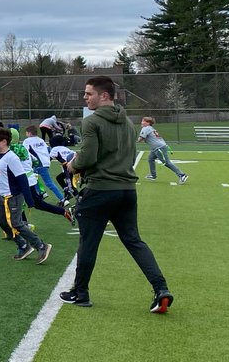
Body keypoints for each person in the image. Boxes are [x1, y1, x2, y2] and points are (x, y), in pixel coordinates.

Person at [62, 76, 174, 313]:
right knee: (134, 240)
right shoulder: (129, 124)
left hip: (100, 190)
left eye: (88, 93)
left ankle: (80, 293)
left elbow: (88, 157)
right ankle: (161, 288)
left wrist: (72, 165)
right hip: (126, 191)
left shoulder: (91, 122)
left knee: (89, 242)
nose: (85, 97)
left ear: (104, 96)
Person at [0, 128, 53, 263]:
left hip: (13, 196)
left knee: (16, 223)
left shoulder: (12, 158)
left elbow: (22, 179)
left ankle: (41, 245)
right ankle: (23, 245)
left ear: (4, 142)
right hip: (1, 196)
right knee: (2, 222)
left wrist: (29, 199)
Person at [138, 117, 188, 184]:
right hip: (157, 147)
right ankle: (153, 175)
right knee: (150, 159)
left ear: (148, 123)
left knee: (167, 163)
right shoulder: (151, 128)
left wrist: (136, 139)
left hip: (159, 148)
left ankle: (182, 175)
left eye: (143, 121)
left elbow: (140, 139)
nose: (141, 122)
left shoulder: (145, 128)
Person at [22, 125, 65, 202]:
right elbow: (49, 149)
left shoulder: (27, 141)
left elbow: (24, 152)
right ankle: (44, 193)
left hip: (37, 163)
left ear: (29, 133)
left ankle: (60, 198)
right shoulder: (41, 140)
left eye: (26, 133)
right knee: (36, 178)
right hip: (45, 162)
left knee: (34, 178)